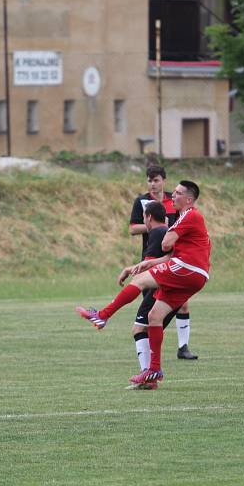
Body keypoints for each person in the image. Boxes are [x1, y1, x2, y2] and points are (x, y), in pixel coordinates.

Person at [77, 180, 211, 388]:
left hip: (187, 268)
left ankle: (102, 316)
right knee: (154, 316)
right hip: (194, 273)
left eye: (177, 193)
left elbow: (167, 244)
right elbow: (170, 255)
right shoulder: (185, 218)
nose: (172, 196)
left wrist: (167, 237)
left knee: (139, 282)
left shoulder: (189, 215)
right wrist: (147, 263)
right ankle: (154, 370)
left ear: (189, 199)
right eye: (173, 192)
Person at [129, 165, 197, 359]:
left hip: (173, 258)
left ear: (163, 180)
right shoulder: (142, 201)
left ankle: (183, 347)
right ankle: (149, 344)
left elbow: (183, 224)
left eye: (156, 180)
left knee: (183, 304)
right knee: (152, 307)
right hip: (151, 258)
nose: (153, 184)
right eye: (149, 180)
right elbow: (133, 228)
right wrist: (157, 225)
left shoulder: (173, 200)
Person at [127, 201, 189, 389]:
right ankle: (149, 376)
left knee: (139, 329)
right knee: (150, 329)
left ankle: (149, 376)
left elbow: (149, 265)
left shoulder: (156, 233)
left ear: (148, 217)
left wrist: (135, 280)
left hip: (158, 289)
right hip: (169, 287)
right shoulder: (165, 232)